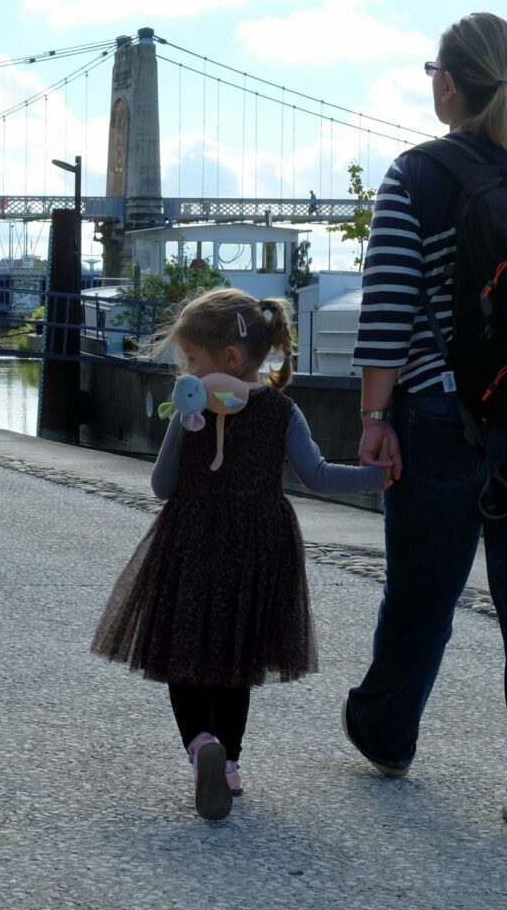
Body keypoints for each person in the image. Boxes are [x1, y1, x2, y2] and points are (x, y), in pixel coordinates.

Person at [344, 12, 507, 837]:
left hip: (443, 412)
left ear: (446, 83)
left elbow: (389, 304)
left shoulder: (418, 172)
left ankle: (387, 734)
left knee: (423, 590)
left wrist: (376, 415)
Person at [92, 287, 389, 820]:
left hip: (190, 542)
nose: (186, 369)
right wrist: (379, 477)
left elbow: (162, 486)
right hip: (259, 547)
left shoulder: (189, 407)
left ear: (227, 359)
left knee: (180, 653)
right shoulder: (282, 411)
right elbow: (317, 476)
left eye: (191, 358)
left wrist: (182, 427)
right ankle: (228, 764)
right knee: (239, 658)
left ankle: (201, 745)